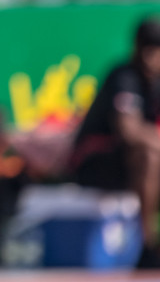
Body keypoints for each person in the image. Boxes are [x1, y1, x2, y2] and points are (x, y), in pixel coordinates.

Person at [69, 16, 160, 267]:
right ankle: (145, 246)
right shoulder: (124, 77)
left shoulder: (156, 82)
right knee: (150, 157)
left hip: (127, 165)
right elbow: (129, 132)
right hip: (93, 164)